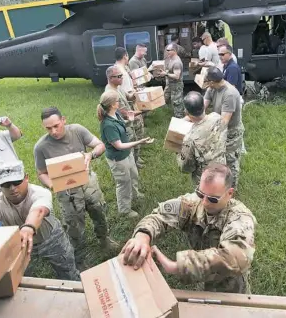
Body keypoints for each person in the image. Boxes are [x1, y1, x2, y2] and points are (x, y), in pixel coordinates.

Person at [120, 163, 256, 294]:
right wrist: (143, 236)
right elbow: (160, 215)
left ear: (230, 193)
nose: (204, 202)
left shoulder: (240, 217)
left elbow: (237, 257)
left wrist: (179, 266)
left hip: (230, 291)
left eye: (213, 199)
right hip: (202, 283)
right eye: (201, 194)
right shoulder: (192, 204)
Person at [33, 107, 119, 271]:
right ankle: (79, 257)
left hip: (88, 183)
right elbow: (41, 173)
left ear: (63, 120)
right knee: (74, 225)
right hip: (66, 192)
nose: (53, 131)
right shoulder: (41, 147)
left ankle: (104, 239)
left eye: (56, 125)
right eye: (48, 128)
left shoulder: (77, 130)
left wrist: (90, 155)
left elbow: (100, 145)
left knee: (99, 211)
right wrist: (52, 184)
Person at [0, 161, 80, 281]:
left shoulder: (40, 193)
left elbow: (39, 211)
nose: (12, 188)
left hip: (51, 238)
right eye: (6, 184)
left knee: (69, 272)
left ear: (26, 178)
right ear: (0, 186)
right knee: (22, 279)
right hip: (21, 245)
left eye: (17, 182)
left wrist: (28, 227)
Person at [97, 90, 153, 219]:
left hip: (127, 153)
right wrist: (139, 141)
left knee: (134, 174)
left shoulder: (115, 114)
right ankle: (124, 209)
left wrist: (132, 119)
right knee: (123, 183)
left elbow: (124, 123)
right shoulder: (108, 125)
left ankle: (135, 194)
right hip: (118, 158)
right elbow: (119, 145)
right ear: (112, 104)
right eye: (117, 101)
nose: (119, 102)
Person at [203, 67, 244, 190]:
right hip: (219, 127)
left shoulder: (230, 94)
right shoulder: (212, 88)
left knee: (231, 161)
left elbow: (224, 121)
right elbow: (202, 107)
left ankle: (232, 189)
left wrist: (206, 129)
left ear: (211, 81)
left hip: (232, 131)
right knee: (219, 159)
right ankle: (221, 185)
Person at [177, 92, 227, 185]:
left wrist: (179, 152)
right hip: (222, 169)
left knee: (205, 199)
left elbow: (186, 168)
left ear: (186, 112)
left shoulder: (189, 138)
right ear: (203, 106)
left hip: (204, 179)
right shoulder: (217, 117)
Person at [104, 65, 143, 169]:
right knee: (130, 144)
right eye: (119, 76)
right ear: (111, 78)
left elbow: (128, 97)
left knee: (134, 141)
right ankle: (132, 165)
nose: (122, 77)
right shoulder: (111, 94)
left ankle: (135, 162)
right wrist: (142, 110)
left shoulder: (118, 87)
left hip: (128, 121)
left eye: (122, 75)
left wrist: (135, 94)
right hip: (123, 124)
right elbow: (124, 113)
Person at [114, 47, 146, 167]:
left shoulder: (120, 68)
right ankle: (134, 160)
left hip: (129, 102)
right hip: (127, 105)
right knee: (134, 132)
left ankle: (137, 158)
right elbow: (124, 93)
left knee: (138, 131)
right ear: (125, 56)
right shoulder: (119, 71)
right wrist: (135, 95)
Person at [156, 43, 184, 119]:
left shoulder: (176, 62)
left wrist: (166, 74)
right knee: (174, 102)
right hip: (172, 85)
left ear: (174, 51)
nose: (167, 51)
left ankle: (180, 120)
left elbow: (177, 76)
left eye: (168, 50)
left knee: (177, 103)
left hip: (176, 86)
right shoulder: (172, 59)